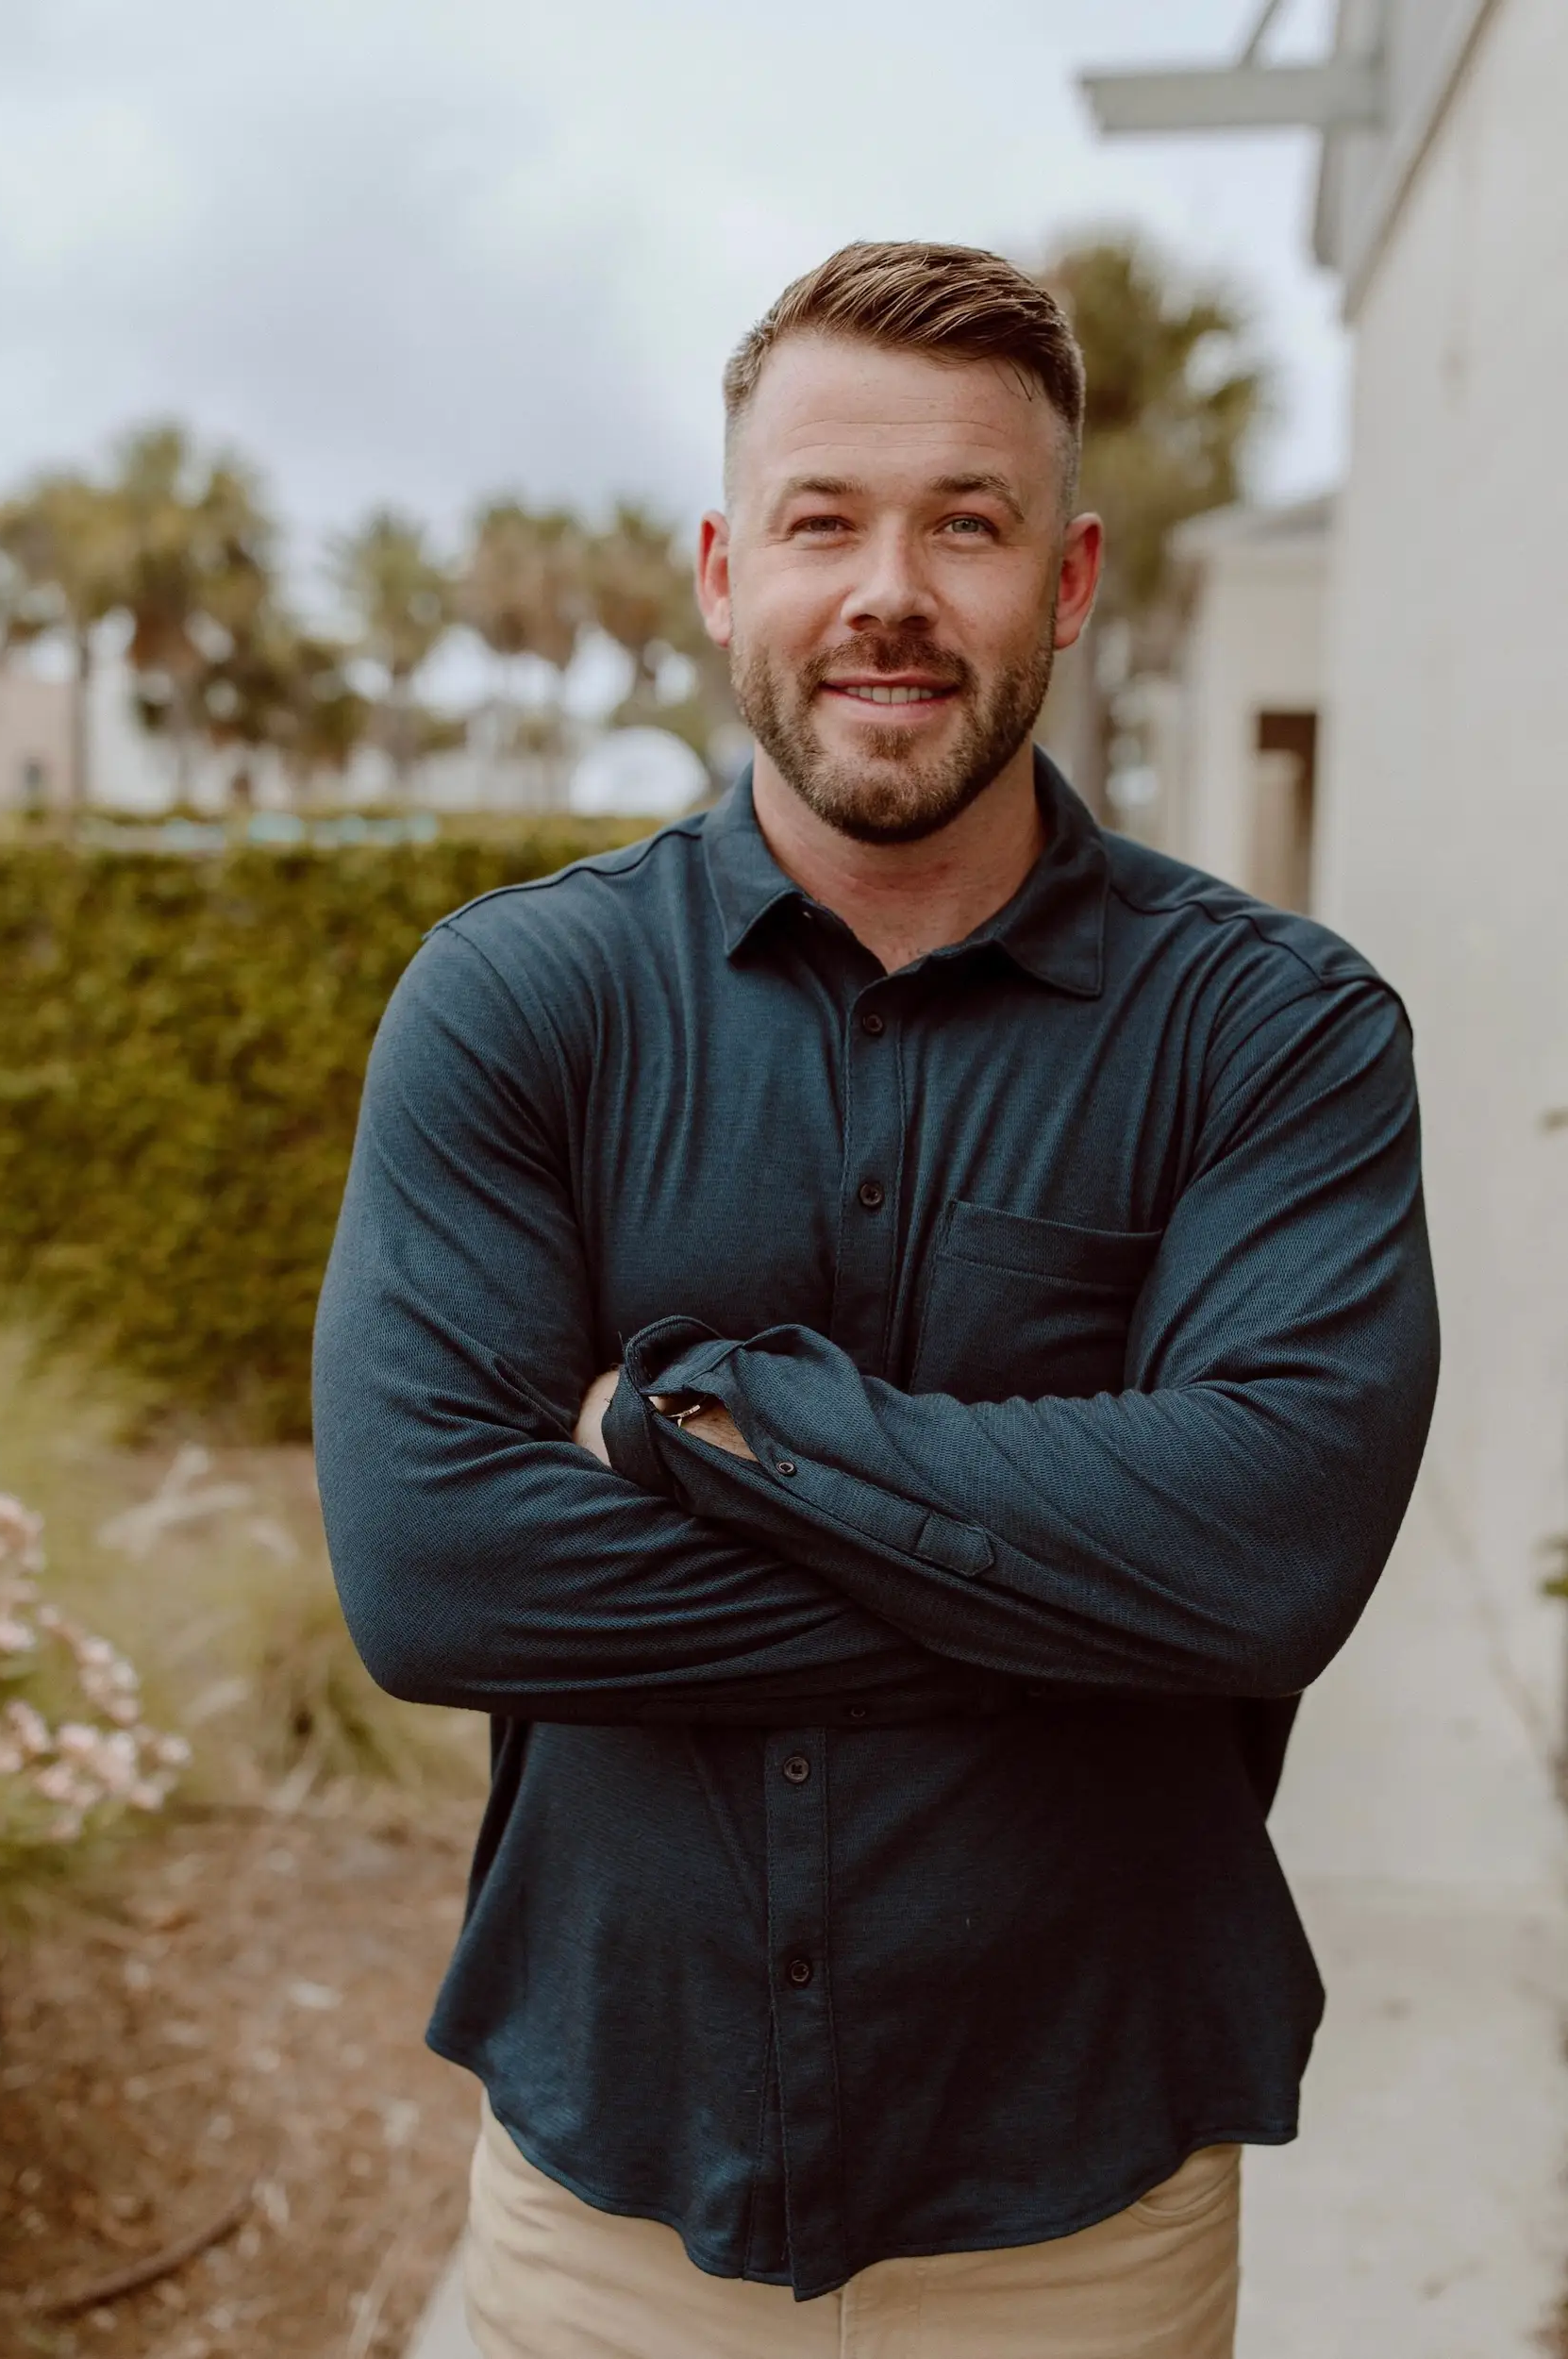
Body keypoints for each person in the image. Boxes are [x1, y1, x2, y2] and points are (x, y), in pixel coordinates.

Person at [313, 242, 1438, 2358]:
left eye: (967, 523)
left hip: (1079, 2217)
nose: (889, 592)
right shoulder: (522, 1003)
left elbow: (1269, 1553)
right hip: (601, 2213)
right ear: (729, 570)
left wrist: (684, 1418)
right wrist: (1073, 1590)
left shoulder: (1270, 1037)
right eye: (825, 521)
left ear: (1073, 577)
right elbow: (434, 1569)